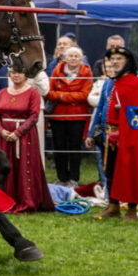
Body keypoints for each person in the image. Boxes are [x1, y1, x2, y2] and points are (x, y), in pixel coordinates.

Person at [94, 47, 138, 221]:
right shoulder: (116, 82)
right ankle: (113, 206)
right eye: (112, 59)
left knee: (130, 171)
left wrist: (123, 134)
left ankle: (131, 211)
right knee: (110, 171)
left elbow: (137, 116)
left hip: (129, 136)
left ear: (128, 61)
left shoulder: (134, 83)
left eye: (119, 58)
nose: (115, 61)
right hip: (112, 135)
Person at [0, 67, 54, 212]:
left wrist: (18, 132)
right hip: (5, 136)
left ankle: (27, 202)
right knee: (6, 166)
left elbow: (34, 116)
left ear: (26, 75)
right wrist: (1, 130)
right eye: (13, 72)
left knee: (24, 168)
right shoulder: (2, 93)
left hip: (25, 137)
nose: (16, 75)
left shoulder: (33, 93)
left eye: (19, 72)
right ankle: (6, 201)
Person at [45, 46, 92, 187]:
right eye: (70, 56)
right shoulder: (56, 70)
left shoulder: (87, 72)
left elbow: (85, 95)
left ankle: (74, 179)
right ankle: (62, 178)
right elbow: (49, 92)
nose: (73, 58)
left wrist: (61, 96)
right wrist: (71, 97)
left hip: (77, 116)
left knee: (74, 148)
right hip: (57, 116)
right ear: (64, 58)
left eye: (76, 56)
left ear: (81, 59)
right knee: (59, 148)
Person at [85, 57, 114, 187]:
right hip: (101, 127)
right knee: (101, 160)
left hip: (117, 130)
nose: (108, 69)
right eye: (106, 67)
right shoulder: (103, 83)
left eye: (111, 66)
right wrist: (91, 134)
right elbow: (97, 106)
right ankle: (105, 189)